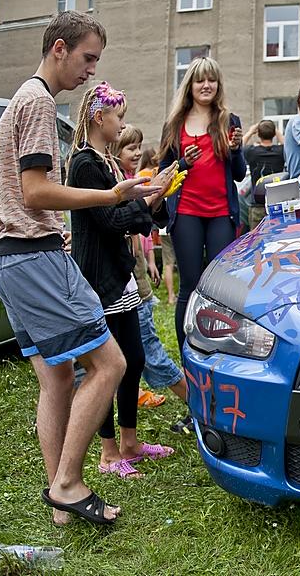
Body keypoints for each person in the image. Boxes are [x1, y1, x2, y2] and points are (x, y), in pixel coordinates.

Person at [0, 11, 159, 526]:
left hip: (7, 259)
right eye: (88, 58)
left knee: (57, 380)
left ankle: (60, 498)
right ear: (59, 48)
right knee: (110, 365)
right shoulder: (39, 100)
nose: (91, 71)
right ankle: (67, 484)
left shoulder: (21, 99)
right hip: (33, 254)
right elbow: (35, 190)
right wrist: (110, 194)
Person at [68, 83, 176, 480]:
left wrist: (157, 195)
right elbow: (111, 220)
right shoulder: (84, 164)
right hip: (100, 280)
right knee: (106, 370)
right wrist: (149, 199)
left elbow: (129, 212)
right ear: (100, 117)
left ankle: (130, 443)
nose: (123, 124)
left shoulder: (107, 162)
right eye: (119, 116)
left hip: (121, 276)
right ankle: (109, 452)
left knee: (134, 360)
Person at [158, 56, 247, 351]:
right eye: (200, 80)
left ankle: (219, 349)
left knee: (219, 288)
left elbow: (239, 174)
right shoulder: (175, 124)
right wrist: (184, 162)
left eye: (212, 80)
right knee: (191, 284)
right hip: (187, 213)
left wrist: (235, 151)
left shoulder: (229, 121)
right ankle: (188, 353)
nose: (206, 85)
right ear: (190, 86)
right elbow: (163, 174)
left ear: (218, 85)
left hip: (222, 213)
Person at [111, 126, 189, 426]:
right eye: (129, 147)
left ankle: (197, 407)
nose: (135, 152)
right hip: (126, 289)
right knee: (127, 357)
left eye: (138, 147)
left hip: (137, 290)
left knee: (151, 355)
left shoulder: (130, 183)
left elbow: (138, 232)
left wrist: (149, 261)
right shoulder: (118, 185)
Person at [140, 148, 178, 305]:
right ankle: (179, 294)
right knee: (179, 262)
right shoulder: (163, 173)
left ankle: (170, 296)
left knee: (168, 262)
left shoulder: (140, 174)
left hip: (159, 226)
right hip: (172, 220)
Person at [243, 119, 285, 228]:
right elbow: (288, 146)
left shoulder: (251, 152)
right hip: (277, 204)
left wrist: (250, 132)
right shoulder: (281, 151)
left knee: (257, 240)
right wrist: (277, 132)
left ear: (258, 134)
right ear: (274, 134)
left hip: (257, 205)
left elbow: (238, 148)